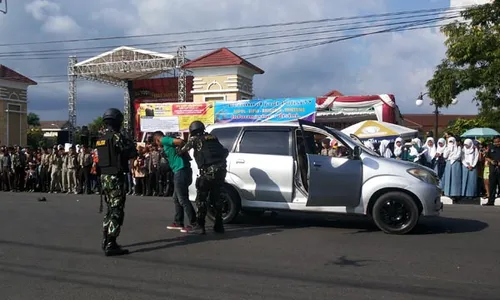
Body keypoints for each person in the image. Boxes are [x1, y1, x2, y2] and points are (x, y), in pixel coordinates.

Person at [96, 108, 138, 256]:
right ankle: (111, 243)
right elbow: (132, 152)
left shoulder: (101, 138)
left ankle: (106, 238)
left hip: (104, 178)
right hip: (115, 178)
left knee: (109, 210)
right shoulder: (117, 137)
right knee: (117, 211)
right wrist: (128, 140)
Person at [177, 121, 229, 234]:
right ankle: (219, 225)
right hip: (221, 171)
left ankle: (200, 226)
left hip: (207, 173)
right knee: (217, 198)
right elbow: (224, 151)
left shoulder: (195, 139)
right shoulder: (213, 137)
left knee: (201, 199)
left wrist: (176, 151)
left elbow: (182, 151)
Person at [153, 131, 198, 233]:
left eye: (157, 144)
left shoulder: (164, 140)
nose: (158, 146)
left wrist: (181, 150)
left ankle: (195, 223)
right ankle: (178, 222)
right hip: (181, 170)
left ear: (157, 140)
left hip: (181, 170)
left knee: (182, 199)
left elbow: (180, 142)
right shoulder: (166, 144)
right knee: (176, 198)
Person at [442, 136, 462, 202]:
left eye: (452, 141)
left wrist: (451, 158)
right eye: (449, 141)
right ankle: (447, 193)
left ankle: (455, 193)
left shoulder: (458, 148)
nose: (451, 143)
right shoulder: (447, 148)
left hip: (455, 164)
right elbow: (445, 156)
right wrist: (449, 149)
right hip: (448, 164)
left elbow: (458, 155)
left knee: (455, 178)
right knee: (448, 178)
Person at [483, 136, 500, 206]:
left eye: (498, 142)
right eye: (495, 142)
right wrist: (491, 161)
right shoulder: (491, 148)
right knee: (492, 186)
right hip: (493, 169)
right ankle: (490, 201)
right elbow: (487, 157)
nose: (497, 143)